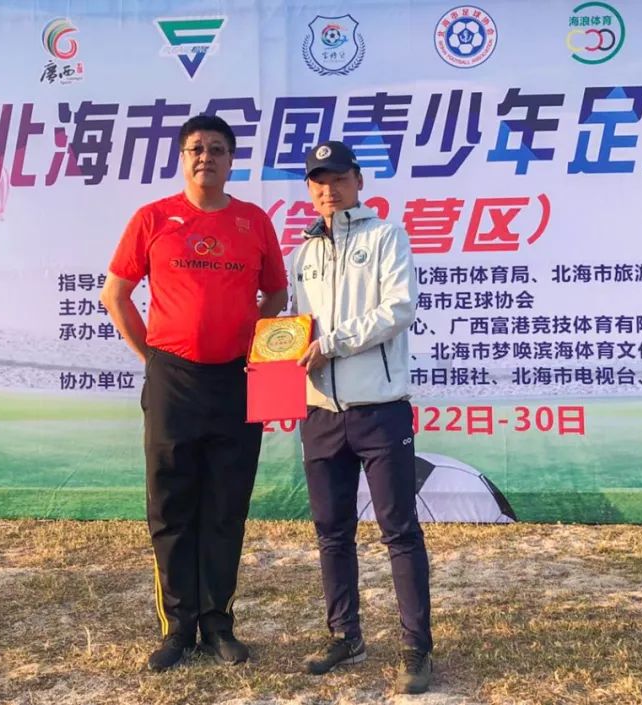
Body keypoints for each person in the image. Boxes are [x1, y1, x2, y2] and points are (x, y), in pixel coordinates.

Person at [100, 114, 288, 672]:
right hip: (172, 380)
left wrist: (251, 342)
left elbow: (276, 295)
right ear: (183, 159)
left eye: (217, 149)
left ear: (232, 160)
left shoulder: (254, 222)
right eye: (196, 149)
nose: (206, 157)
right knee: (171, 505)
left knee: (227, 506)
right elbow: (115, 295)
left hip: (238, 378)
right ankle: (178, 627)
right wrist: (153, 359)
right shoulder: (153, 218)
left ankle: (218, 623)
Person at [291, 140, 433, 694]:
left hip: (380, 411)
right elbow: (297, 329)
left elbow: (399, 309)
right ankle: (345, 635)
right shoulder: (303, 253)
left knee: (399, 531)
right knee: (332, 532)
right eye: (318, 181)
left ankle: (416, 647)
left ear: (358, 180)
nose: (328, 189)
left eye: (338, 178)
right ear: (309, 189)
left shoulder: (386, 236)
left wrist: (332, 343)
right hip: (320, 413)